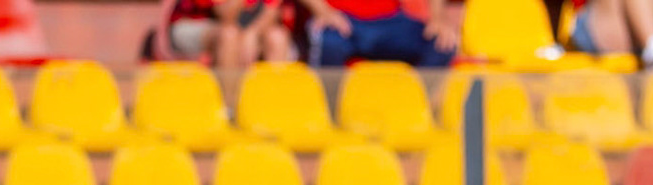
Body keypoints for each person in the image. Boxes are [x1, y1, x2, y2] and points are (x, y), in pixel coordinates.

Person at [303, 0, 457, 67]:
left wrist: (437, 18)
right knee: (329, 43)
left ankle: (413, 109)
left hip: (390, 23)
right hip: (340, 22)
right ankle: (330, 118)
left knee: (443, 43)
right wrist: (323, 11)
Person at [160, 0, 297, 64]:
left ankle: (272, 107)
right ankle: (230, 109)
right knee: (229, 36)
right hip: (191, 24)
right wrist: (245, 37)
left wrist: (252, 34)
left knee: (277, 37)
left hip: (241, 29)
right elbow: (226, 16)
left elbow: (271, 12)